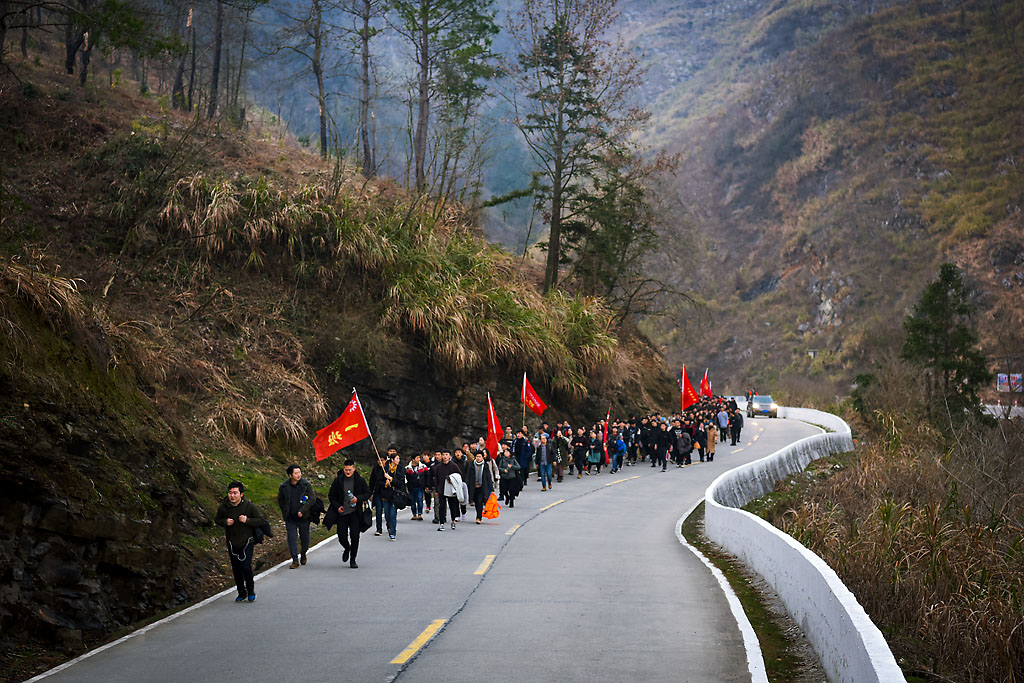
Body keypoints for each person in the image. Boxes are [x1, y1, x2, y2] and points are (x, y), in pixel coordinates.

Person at [215, 481, 265, 602]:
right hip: (232, 542)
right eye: (230, 493)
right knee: (236, 568)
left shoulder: (249, 506)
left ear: (241, 494)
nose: (232, 496)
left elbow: (260, 520)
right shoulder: (224, 507)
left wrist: (247, 520)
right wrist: (225, 522)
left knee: (246, 566)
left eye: (235, 493)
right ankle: (241, 592)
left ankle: (251, 590)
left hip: (247, 541)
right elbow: (217, 519)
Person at [328, 459, 370, 568]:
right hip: (342, 513)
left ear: (354, 469)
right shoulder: (338, 480)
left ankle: (353, 559)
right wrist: (337, 506)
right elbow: (331, 496)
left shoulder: (360, 480)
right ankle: (347, 548)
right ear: (343, 469)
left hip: (355, 513)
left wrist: (358, 498)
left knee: (355, 536)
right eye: (346, 470)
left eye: (350, 470)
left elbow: (367, 493)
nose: (348, 472)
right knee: (341, 536)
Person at [277, 464, 316, 569]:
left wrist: (303, 511)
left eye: (299, 472)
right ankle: (295, 560)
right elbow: (280, 500)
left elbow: (312, 499)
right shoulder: (284, 486)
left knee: (305, 539)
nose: (298, 475)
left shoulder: (306, 484)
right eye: (296, 473)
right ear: (290, 475)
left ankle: (303, 553)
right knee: (292, 538)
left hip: (303, 517)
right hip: (290, 517)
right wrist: (285, 510)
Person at [372, 450, 405, 540]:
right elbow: (378, 482)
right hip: (385, 495)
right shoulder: (385, 468)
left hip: (395, 495)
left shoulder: (401, 469)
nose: (398, 460)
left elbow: (401, 482)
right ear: (392, 459)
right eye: (397, 458)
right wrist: (385, 483)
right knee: (387, 514)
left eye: (399, 458)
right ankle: (389, 526)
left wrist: (391, 479)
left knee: (392, 514)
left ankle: (393, 532)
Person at [432, 450, 463, 531]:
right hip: (441, 489)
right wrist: (436, 490)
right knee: (441, 506)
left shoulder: (454, 466)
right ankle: (441, 523)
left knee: (452, 506)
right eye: (443, 455)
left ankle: (453, 521)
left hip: (451, 489)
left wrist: (452, 480)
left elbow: (459, 476)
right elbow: (436, 479)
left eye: (446, 454)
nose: (445, 456)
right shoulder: (438, 467)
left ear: (450, 456)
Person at [464, 450, 496, 523]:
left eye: (479, 457)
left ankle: (479, 517)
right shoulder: (472, 465)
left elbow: (488, 477)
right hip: (473, 486)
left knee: (480, 501)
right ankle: (478, 513)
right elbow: (468, 476)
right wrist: (466, 485)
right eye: (477, 457)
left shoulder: (485, 466)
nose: (478, 458)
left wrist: (492, 489)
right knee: (475, 501)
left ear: (482, 457)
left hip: (482, 486)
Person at [406, 453, 429, 521]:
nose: (419, 459)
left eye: (419, 458)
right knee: (412, 501)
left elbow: (427, 476)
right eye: (417, 458)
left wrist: (427, 485)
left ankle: (419, 514)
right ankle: (414, 514)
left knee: (419, 499)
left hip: (420, 486)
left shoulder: (423, 467)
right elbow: (405, 478)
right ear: (413, 459)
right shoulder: (407, 468)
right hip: (411, 487)